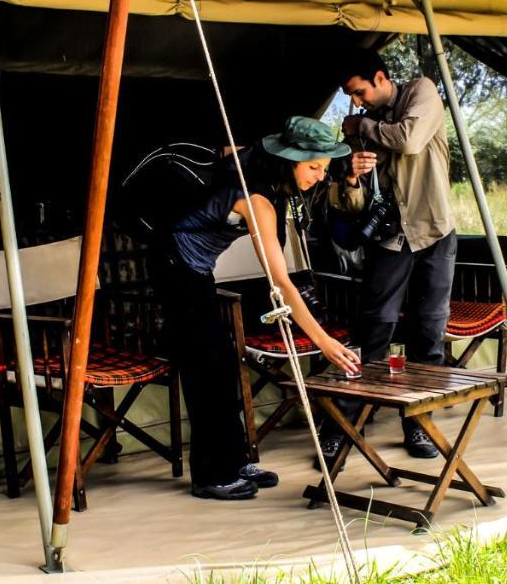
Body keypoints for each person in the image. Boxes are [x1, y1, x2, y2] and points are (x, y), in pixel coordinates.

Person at [152, 116, 360, 500]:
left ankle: (234, 460)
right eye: (313, 166)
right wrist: (324, 341)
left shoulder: (267, 175)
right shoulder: (257, 199)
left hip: (196, 269)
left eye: (324, 168)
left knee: (227, 361)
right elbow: (280, 281)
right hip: (175, 265)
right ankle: (211, 475)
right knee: (206, 366)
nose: (318, 176)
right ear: (289, 160)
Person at [321, 49, 457, 465]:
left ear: (380, 77)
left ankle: (419, 427)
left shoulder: (421, 91)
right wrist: (352, 173)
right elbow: (352, 204)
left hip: (433, 231)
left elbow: (411, 140)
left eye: (359, 92)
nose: (355, 102)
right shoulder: (360, 130)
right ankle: (344, 426)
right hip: (388, 239)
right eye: (350, 97)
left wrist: (360, 126)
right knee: (372, 332)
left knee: (428, 336)